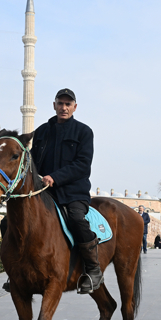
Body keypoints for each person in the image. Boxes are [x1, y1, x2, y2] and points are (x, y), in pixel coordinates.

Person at [29, 88, 101, 294]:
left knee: (77, 220)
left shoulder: (83, 132)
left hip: (72, 192)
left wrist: (55, 177)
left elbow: (82, 165)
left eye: (68, 104)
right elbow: (33, 162)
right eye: (60, 103)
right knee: (12, 222)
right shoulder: (42, 131)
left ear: (75, 107)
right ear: (54, 105)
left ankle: (93, 269)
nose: (64, 107)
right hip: (44, 192)